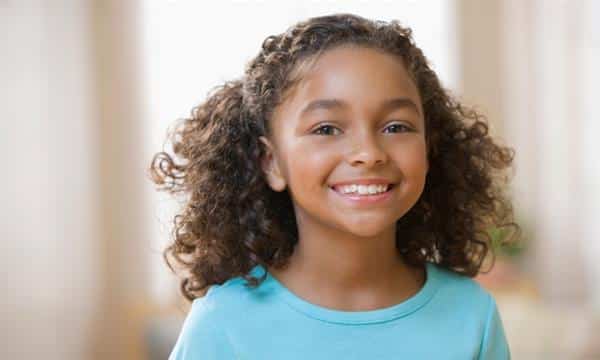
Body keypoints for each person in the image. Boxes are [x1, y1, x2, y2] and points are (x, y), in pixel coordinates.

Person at [149, 12, 520, 360]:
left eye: (396, 127)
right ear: (271, 162)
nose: (368, 153)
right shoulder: (223, 323)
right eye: (326, 129)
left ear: (429, 147)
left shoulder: (473, 315)